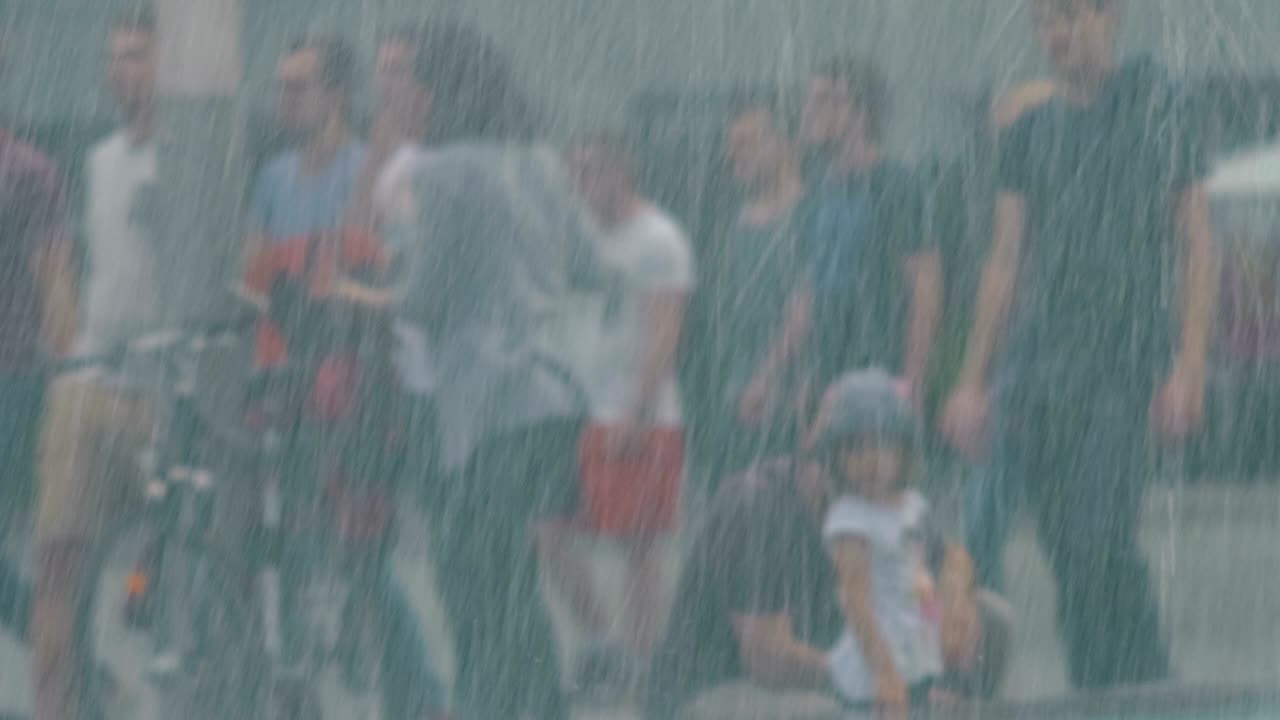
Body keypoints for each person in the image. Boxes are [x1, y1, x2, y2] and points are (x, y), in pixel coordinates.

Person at [941, 0, 1214, 690]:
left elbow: (1197, 244)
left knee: (1098, 533)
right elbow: (1005, 260)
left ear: (1108, 15)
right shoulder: (1030, 132)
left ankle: (1137, 678)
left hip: (1123, 357)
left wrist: (1188, 367)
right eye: (1044, 21)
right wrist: (971, 381)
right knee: (1060, 540)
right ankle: (1102, 681)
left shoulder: (1156, 105)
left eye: (1069, 15)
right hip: (1041, 362)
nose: (1056, 33)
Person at [384, 21, 600, 720]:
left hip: (486, 406)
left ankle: (493, 707)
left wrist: (359, 294)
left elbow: (424, 299)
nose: (394, 95)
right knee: (508, 582)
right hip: (550, 395)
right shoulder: (538, 161)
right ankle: (537, 707)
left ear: (436, 90)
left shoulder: (444, 169)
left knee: (471, 586)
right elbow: (590, 263)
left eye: (406, 80)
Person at [642, 377, 1010, 719]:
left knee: (991, 619)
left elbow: (947, 561)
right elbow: (767, 659)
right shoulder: (756, 505)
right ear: (819, 451)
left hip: (841, 667)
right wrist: (879, 677)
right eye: (855, 454)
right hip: (724, 691)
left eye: (884, 457)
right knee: (822, 709)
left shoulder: (884, 499)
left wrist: (955, 597)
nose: (872, 471)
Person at [30, 9, 155, 719]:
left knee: (169, 550)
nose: (118, 71)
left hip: (160, 383)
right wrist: (69, 344)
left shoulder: (194, 159)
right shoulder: (102, 159)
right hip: (90, 376)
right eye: (114, 58)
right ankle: (56, 704)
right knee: (57, 558)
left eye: (134, 56)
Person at [537, 134, 693, 695]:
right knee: (548, 531)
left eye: (590, 171)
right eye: (573, 172)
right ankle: (603, 644)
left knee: (638, 543)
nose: (579, 183)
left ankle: (642, 661)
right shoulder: (573, 233)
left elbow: (665, 329)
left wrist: (637, 407)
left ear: (622, 171)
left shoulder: (658, 238)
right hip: (573, 407)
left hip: (636, 413)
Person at [741, 57, 941, 442]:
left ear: (861, 113)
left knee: (854, 471)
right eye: (810, 99)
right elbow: (806, 295)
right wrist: (769, 375)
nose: (810, 111)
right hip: (824, 374)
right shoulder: (814, 194)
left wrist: (912, 380)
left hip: (878, 370)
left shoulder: (897, 184)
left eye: (826, 100)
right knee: (816, 471)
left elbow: (925, 287)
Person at [813, 369, 948, 717]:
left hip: (912, 649)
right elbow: (855, 601)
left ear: (904, 452)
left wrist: (931, 650)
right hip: (876, 659)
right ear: (836, 457)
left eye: (882, 445)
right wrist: (885, 672)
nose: (869, 460)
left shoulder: (913, 506)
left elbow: (921, 574)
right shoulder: (850, 520)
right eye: (855, 448)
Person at [705, 97, 809, 489]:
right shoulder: (739, 221)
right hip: (742, 391)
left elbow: (805, 306)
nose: (733, 154)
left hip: (793, 396)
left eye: (746, 143)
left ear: (785, 144)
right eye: (731, 145)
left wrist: (769, 378)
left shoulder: (810, 212)